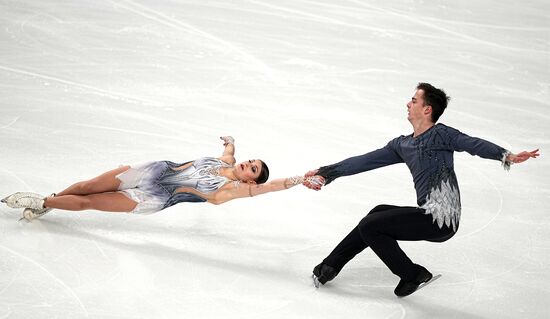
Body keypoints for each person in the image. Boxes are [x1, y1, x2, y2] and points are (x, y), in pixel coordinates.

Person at [303, 83, 540, 297]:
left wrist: (504, 155)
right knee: (377, 213)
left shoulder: (441, 135)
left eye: (414, 100)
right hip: (426, 214)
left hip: (441, 219)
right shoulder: (402, 145)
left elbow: (472, 143)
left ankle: (412, 274)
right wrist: (327, 172)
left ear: (427, 109)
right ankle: (329, 267)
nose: (408, 103)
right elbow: (365, 161)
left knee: (371, 226)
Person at [2, 136, 318, 221]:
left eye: (252, 169)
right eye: (252, 160)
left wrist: (294, 180)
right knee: (85, 186)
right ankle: (53, 200)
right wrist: (229, 141)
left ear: (251, 182)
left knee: (88, 203)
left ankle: (41, 201)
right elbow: (231, 150)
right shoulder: (227, 161)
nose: (248, 164)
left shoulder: (229, 192)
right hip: (151, 170)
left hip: (152, 198)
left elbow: (271, 187)